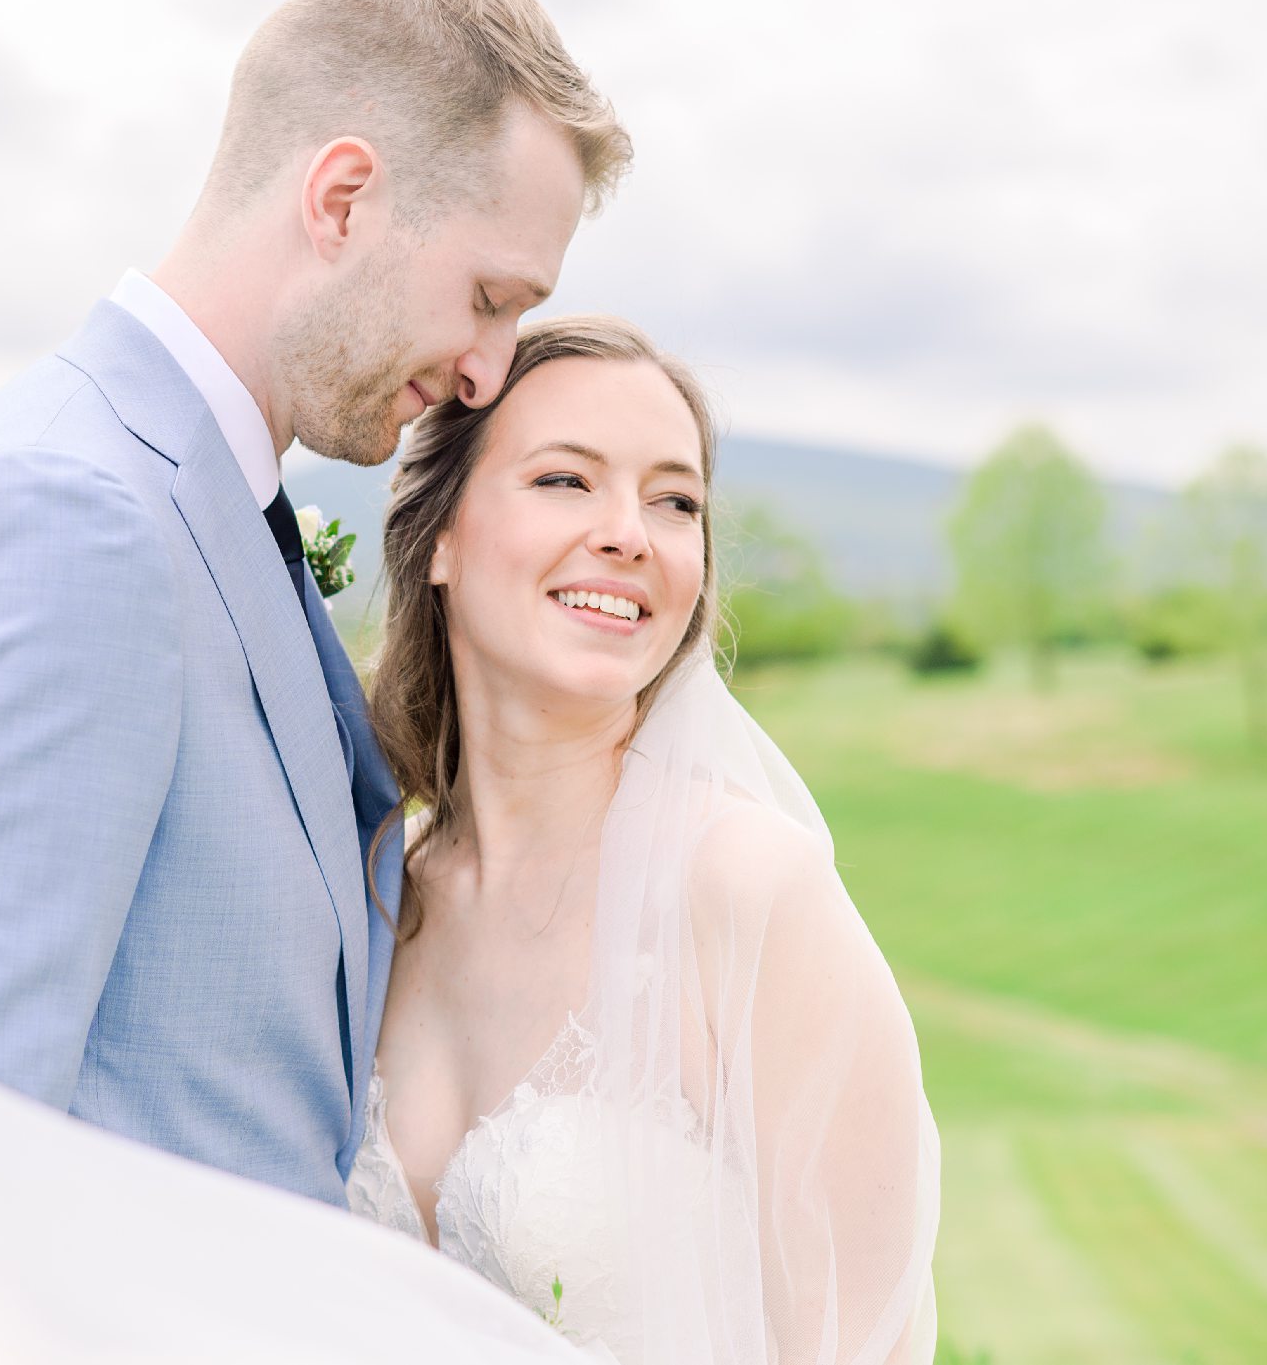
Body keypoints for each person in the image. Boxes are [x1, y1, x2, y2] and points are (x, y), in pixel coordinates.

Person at [0, 0, 631, 1205]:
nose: (487, 370)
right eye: (486, 295)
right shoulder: (62, 521)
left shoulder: (210, 503)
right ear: (343, 198)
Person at [346, 317, 940, 1362]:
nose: (630, 532)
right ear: (439, 535)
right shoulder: (380, 897)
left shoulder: (748, 890)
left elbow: (865, 1340)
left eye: (675, 502)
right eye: (566, 481)